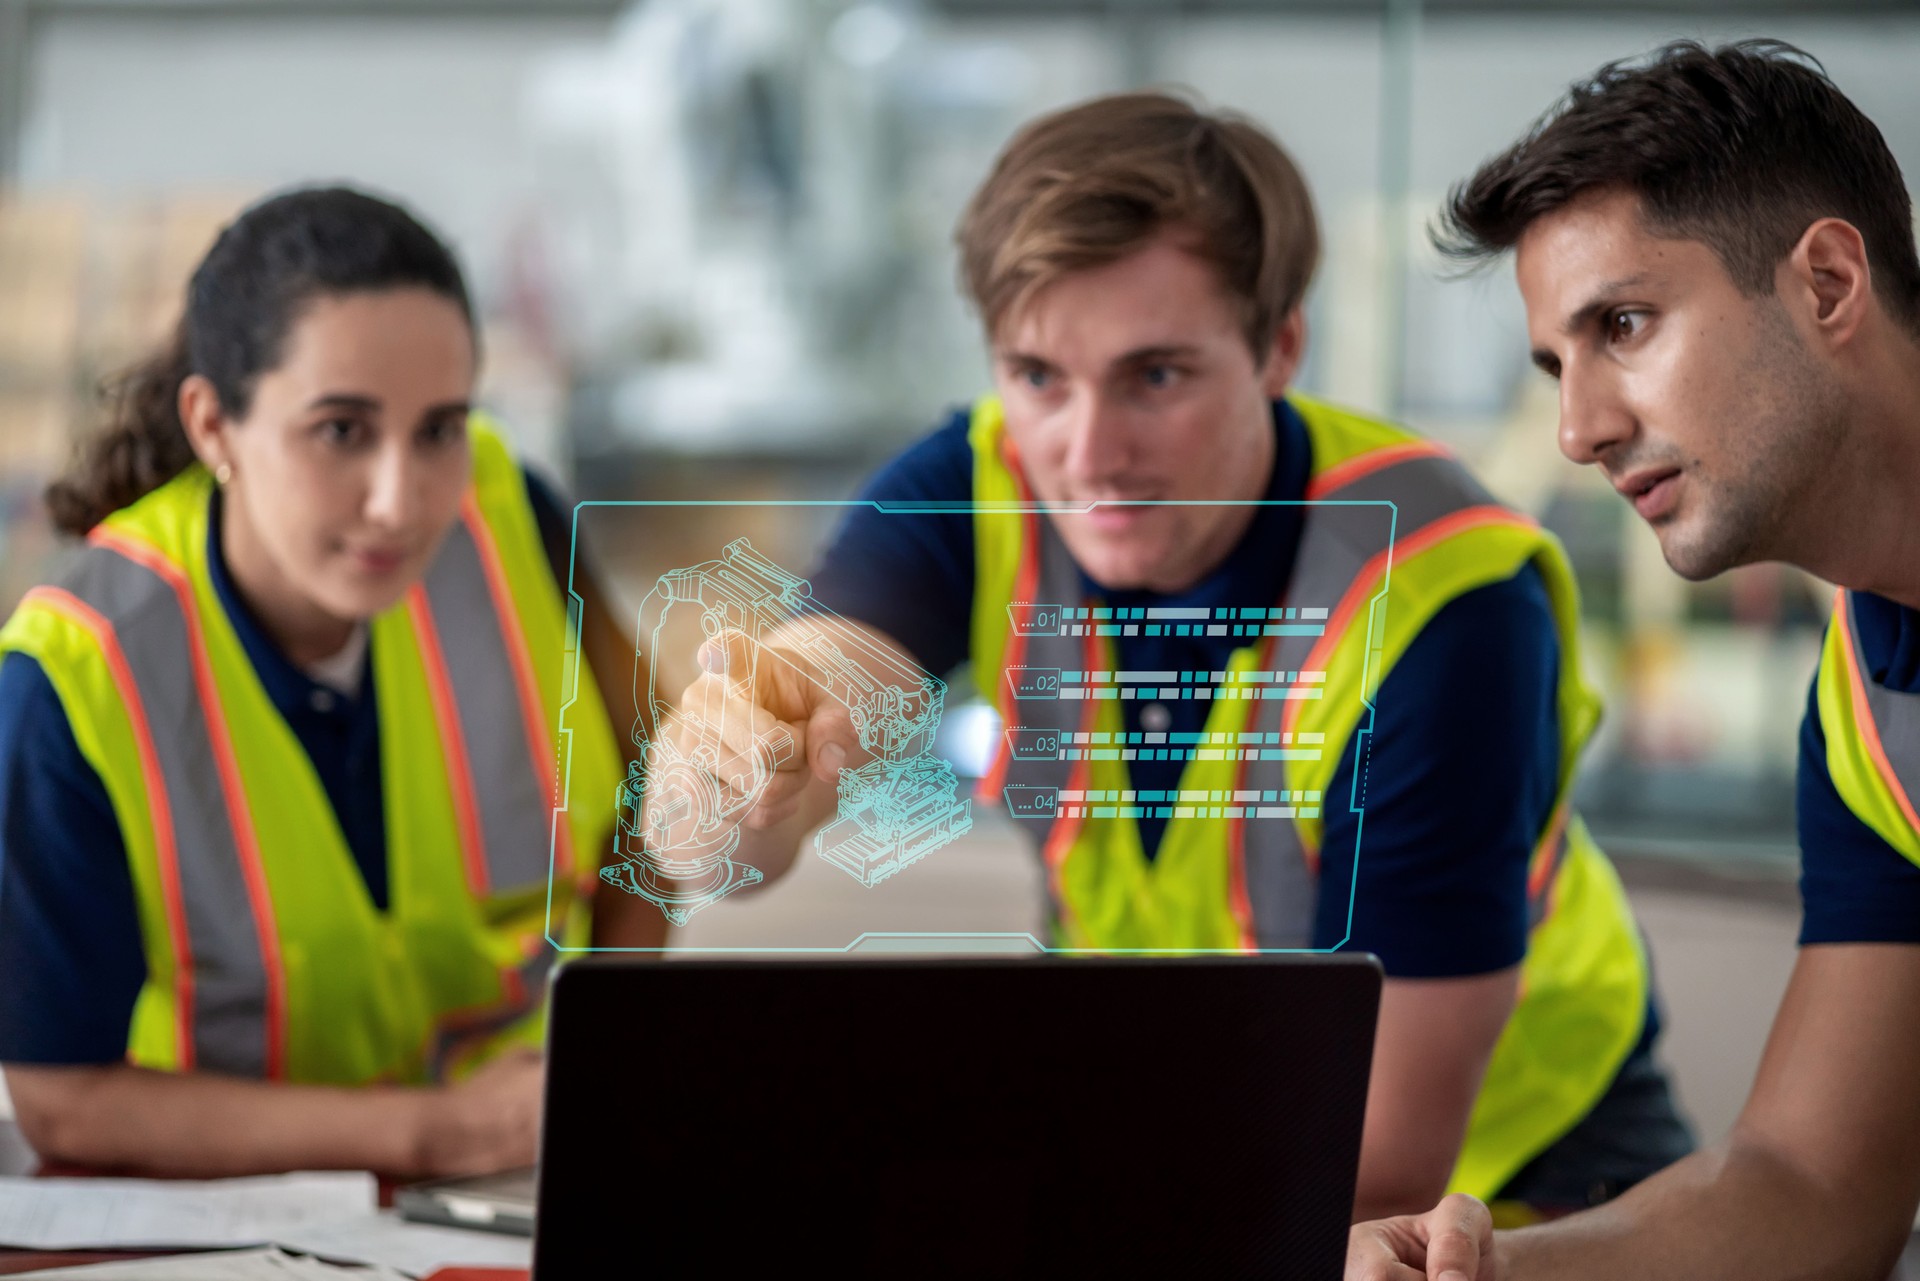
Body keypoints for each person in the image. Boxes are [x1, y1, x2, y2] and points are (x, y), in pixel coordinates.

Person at [652, 92, 1693, 1219]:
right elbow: (776, 756)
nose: (1088, 452)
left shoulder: (1445, 607)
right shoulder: (970, 484)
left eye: (1154, 376)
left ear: (1280, 345)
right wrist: (727, 781)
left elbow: (1381, 1163)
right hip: (1187, 1127)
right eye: (1038, 376)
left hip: (1524, 1182)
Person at [1345, 39, 1920, 1281]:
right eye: (1560, 365)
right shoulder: (1867, 714)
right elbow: (1816, 1185)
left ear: (1828, 284)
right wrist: (1487, 1272)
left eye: (1625, 325)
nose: (1578, 429)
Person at [0, 186, 650, 1180]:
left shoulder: (513, 521)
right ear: (213, 426)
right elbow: (63, 1100)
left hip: (525, 1183)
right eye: (342, 430)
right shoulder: (74, 673)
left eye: (440, 429)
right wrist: (433, 1134)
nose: (402, 501)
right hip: (220, 1213)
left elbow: (655, 811)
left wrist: (611, 1055)